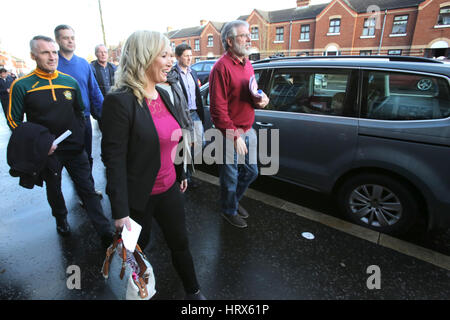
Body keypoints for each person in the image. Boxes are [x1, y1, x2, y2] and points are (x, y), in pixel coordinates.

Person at [101, 30, 205, 300]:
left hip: (169, 187)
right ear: (143, 58)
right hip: (139, 198)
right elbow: (113, 161)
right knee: (138, 251)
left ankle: (193, 291)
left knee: (180, 243)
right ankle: (140, 292)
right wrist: (120, 211)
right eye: (164, 55)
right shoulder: (119, 102)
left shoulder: (163, 93)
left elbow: (174, 137)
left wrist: (181, 171)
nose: (170, 61)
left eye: (172, 55)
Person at [7, 35, 113, 248]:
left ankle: (105, 231)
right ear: (33, 55)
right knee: (54, 189)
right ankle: (61, 219)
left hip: (74, 149)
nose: (52, 56)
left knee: (88, 188)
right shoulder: (22, 85)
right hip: (48, 152)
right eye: (45, 52)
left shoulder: (69, 81)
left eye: (54, 52)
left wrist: (78, 136)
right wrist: (40, 144)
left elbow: (80, 111)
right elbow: (14, 121)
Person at [209, 20, 269, 228]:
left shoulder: (248, 64)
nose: (249, 39)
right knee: (230, 177)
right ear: (230, 40)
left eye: (248, 34)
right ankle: (228, 210)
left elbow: (251, 94)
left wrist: (260, 100)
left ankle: (232, 202)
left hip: (248, 130)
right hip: (229, 134)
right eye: (243, 35)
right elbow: (217, 110)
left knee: (252, 172)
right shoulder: (220, 68)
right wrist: (234, 136)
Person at [54, 25, 103, 175]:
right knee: (67, 160)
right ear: (57, 40)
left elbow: (94, 91)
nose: (70, 41)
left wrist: (104, 114)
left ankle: (89, 187)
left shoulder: (83, 64)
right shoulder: (52, 63)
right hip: (61, 122)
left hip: (84, 118)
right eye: (65, 38)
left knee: (86, 155)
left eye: (72, 38)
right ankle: (80, 187)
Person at [172, 43, 205, 188]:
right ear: (178, 56)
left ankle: (187, 172)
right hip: (182, 116)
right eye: (186, 56)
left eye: (191, 56)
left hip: (195, 114)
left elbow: (198, 94)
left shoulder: (193, 72)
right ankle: (185, 177)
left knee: (200, 143)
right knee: (185, 147)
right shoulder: (173, 74)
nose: (189, 59)